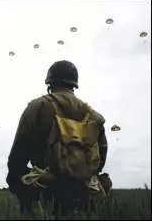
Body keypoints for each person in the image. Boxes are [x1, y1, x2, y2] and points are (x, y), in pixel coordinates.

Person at [6, 60, 109, 217]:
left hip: (46, 190)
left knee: (14, 176)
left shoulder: (37, 107)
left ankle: (31, 211)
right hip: (83, 191)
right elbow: (100, 161)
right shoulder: (95, 117)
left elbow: (16, 159)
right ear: (74, 85)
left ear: (49, 83)